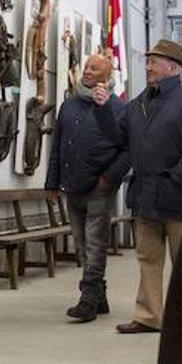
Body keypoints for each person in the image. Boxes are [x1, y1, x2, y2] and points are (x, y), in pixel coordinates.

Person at [93, 39, 182, 334]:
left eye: (153, 62)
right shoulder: (138, 104)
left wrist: (178, 176)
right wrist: (102, 108)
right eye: (147, 62)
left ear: (172, 68)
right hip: (145, 197)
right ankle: (149, 316)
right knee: (147, 259)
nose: (147, 67)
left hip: (179, 198)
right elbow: (117, 137)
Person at [45, 51, 130, 322]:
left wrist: (109, 178)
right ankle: (100, 295)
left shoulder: (118, 108)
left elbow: (128, 150)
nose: (88, 71)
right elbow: (57, 145)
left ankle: (88, 298)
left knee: (95, 242)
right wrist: (52, 182)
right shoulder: (68, 106)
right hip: (72, 185)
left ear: (107, 76)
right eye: (87, 67)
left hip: (99, 187)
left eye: (95, 69)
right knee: (81, 242)